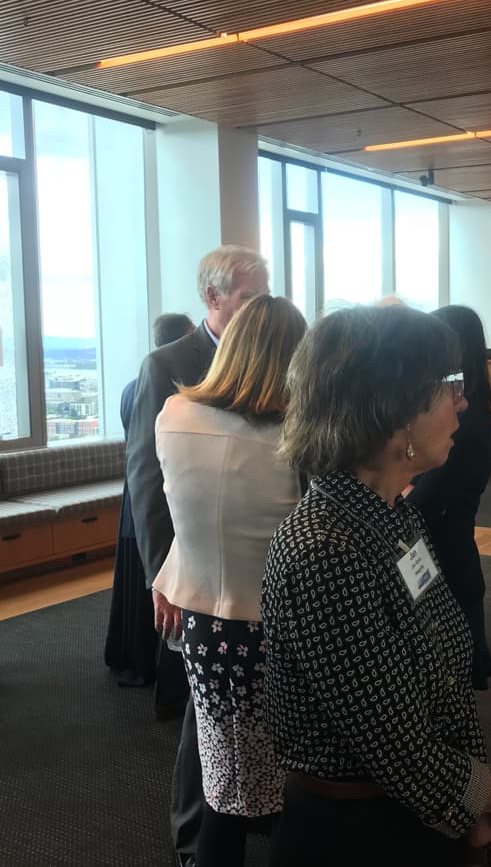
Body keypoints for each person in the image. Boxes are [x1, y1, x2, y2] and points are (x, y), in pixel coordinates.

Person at [262, 305, 491, 866]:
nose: (463, 401)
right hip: (355, 835)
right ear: (392, 412)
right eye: (446, 387)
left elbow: (443, 671)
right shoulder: (324, 551)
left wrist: (473, 801)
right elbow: (398, 752)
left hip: (409, 816)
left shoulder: (391, 516)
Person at [125, 245, 270, 867]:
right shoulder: (169, 365)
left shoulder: (271, 360)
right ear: (213, 299)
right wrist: (165, 577)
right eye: (247, 298)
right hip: (193, 574)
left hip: (253, 566)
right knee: (200, 715)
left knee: (235, 713)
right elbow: (146, 482)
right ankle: (194, 842)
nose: (257, 307)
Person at [151, 295, 306, 867]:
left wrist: (164, 578)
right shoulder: (298, 440)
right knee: (297, 785)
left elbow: (190, 515)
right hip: (277, 631)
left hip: (204, 629)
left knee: (223, 782)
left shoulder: (174, 415)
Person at [407, 304, 491, 690]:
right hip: (440, 561)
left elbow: (421, 504)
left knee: (449, 692)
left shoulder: (466, 425)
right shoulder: (459, 415)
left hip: (447, 568)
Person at [106, 313, 195, 688]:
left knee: (133, 585)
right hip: (151, 495)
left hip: (135, 499)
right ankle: (150, 665)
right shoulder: (163, 382)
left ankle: (132, 657)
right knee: (153, 583)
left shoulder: (129, 387)